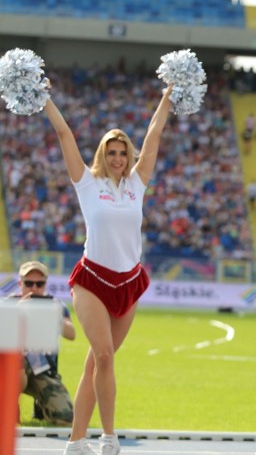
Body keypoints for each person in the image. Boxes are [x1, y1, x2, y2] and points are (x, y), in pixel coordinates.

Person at [43, 84, 174, 455]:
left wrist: (167, 97)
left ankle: (74, 441)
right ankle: (109, 438)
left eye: (122, 152)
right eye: (111, 152)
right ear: (102, 153)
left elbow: (155, 133)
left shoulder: (136, 184)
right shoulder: (87, 182)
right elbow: (64, 132)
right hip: (92, 280)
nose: (118, 158)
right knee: (103, 355)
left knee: (96, 365)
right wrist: (45, 98)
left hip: (129, 282)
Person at [12, 260, 76, 426]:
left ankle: (41, 403)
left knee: (66, 418)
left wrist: (53, 316)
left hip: (43, 369)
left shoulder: (55, 305)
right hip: (14, 367)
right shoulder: (9, 304)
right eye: (29, 283)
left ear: (46, 284)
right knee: (16, 362)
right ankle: (10, 406)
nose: (34, 288)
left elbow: (71, 333)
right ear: (20, 283)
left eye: (39, 284)